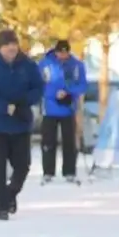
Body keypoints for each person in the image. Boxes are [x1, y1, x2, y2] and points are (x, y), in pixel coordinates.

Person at [0, 29, 44, 220]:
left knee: (22, 166)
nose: (12, 49)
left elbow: (38, 88)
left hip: (20, 124)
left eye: (14, 45)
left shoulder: (28, 66)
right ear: (0, 48)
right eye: (8, 46)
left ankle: (10, 194)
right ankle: (2, 207)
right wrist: (3, 107)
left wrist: (24, 102)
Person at [38, 40, 87, 183]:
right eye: (60, 52)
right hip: (50, 109)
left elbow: (83, 85)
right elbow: (39, 85)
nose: (63, 56)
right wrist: (53, 94)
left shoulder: (77, 65)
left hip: (68, 109)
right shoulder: (45, 64)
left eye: (66, 53)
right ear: (56, 51)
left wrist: (68, 92)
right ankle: (48, 172)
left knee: (69, 142)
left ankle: (69, 171)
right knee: (48, 141)